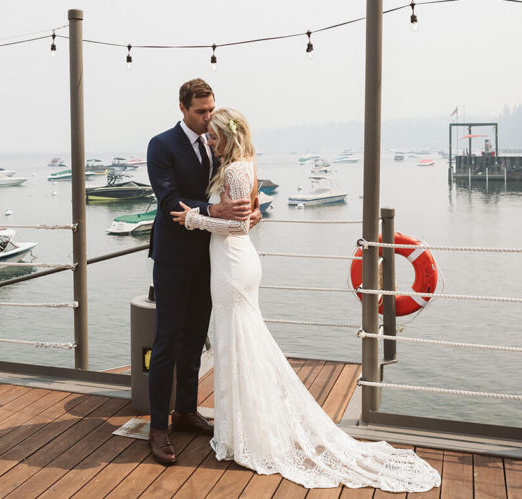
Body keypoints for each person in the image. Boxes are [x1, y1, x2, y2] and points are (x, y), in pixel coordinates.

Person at [171, 108, 441, 492]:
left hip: (232, 263)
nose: (210, 142)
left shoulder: (232, 171)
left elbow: (236, 225)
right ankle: (245, 427)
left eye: (214, 137)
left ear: (227, 137)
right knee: (242, 344)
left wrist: (194, 220)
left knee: (238, 344)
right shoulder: (247, 164)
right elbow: (251, 220)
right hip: (239, 262)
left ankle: (243, 433)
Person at [145, 79, 256, 466]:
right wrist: (211, 212)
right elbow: (167, 199)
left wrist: (250, 213)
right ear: (182, 108)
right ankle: (158, 426)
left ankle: (186, 412)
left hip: (213, 258)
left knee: (195, 340)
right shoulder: (161, 145)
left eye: (211, 110)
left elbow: (239, 193)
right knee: (166, 342)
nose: (208, 118)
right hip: (173, 259)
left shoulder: (219, 143)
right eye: (200, 111)